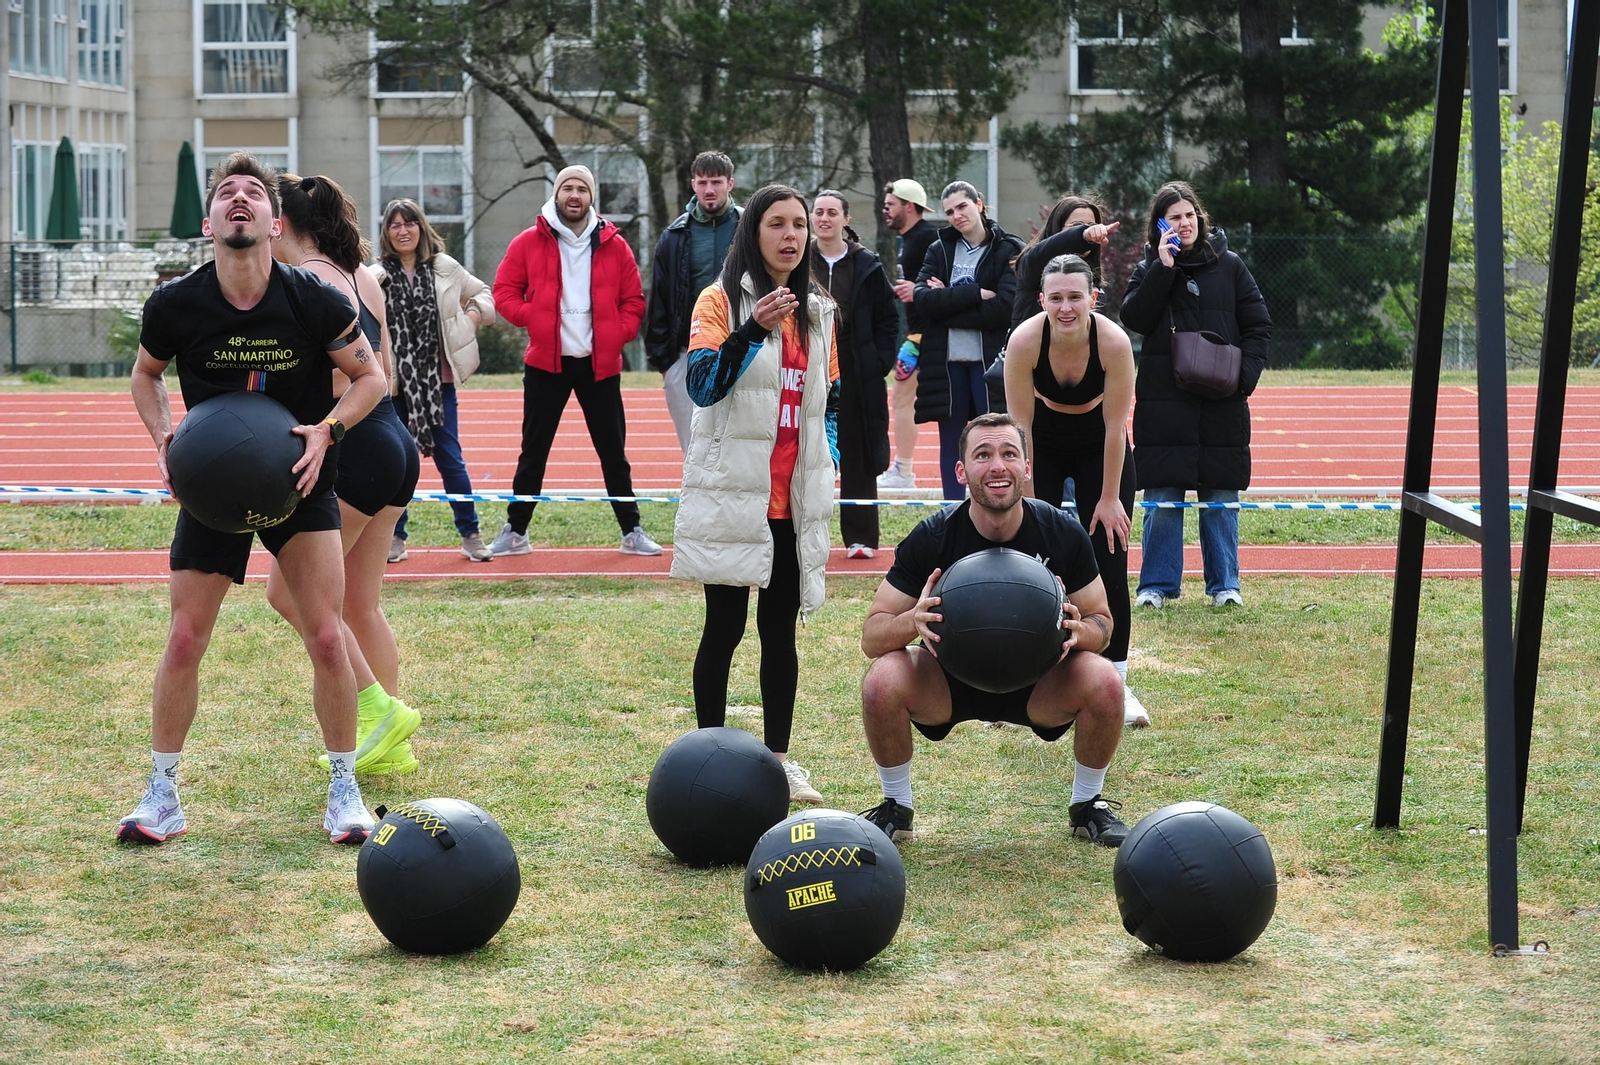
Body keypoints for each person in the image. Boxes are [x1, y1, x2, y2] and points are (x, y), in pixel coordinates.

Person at [120, 152, 385, 846]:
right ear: (208, 222)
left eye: (254, 196)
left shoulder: (313, 297)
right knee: (184, 637)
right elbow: (146, 376)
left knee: (326, 633)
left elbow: (371, 380)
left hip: (297, 479)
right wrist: (163, 438)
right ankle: (162, 794)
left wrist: (328, 431)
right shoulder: (178, 303)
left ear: (274, 223)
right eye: (227, 194)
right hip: (212, 485)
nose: (240, 201)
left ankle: (345, 789)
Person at [858, 412, 1130, 846]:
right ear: (962, 471)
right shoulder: (933, 537)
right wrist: (913, 621)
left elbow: (1103, 622)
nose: (998, 466)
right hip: (948, 679)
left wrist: (1083, 631)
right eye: (983, 455)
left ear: (1027, 466)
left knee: (1105, 680)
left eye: (1009, 453)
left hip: (1040, 680)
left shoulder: (1061, 532)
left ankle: (1088, 806)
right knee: (882, 680)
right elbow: (872, 637)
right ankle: (896, 806)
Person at [671, 184, 841, 807]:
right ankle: (706, 756)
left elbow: (831, 406)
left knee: (780, 634)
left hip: (795, 501)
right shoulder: (718, 301)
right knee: (724, 628)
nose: (792, 235)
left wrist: (830, 463)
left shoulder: (819, 310)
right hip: (736, 494)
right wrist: (750, 331)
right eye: (778, 224)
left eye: (800, 224)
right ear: (754, 231)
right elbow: (704, 387)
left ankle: (779, 761)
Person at [263, 173, 424, 778]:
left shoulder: (307, 280)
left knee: (289, 591)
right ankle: (393, 738)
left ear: (283, 224)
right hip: (391, 439)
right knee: (360, 601)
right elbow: (383, 367)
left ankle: (378, 711)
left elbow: (341, 376)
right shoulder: (361, 276)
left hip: (356, 444)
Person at [1004, 253, 1149, 728]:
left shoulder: (1112, 341)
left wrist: (1109, 499)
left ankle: (1118, 681)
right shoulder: (1025, 340)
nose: (1066, 308)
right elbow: (1019, 427)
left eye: (1075, 297)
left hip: (1098, 444)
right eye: (1056, 298)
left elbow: (1115, 427)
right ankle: (1018, 678)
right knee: (1028, 559)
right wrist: (1022, 499)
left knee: (1108, 556)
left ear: (1093, 298)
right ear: (1042, 299)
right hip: (1041, 441)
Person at [489, 165, 663, 558]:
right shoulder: (528, 242)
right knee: (533, 451)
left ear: (591, 198)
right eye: (567, 187)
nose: (574, 195)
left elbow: (634, 301)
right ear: (556, 194)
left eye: (581, 189)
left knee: (613, 452)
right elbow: (504, 292)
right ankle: (515, 532)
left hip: (599, 365)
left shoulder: (614, 244)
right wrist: (531, 318)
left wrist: (616, 334)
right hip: (546, 364)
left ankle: (631, 531)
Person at [1119, 181, 1272, 608]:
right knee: (1163, 496)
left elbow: (1259, 323)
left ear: (1199, 217)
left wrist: (1244, 378)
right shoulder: (1151, 266)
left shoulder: (1231, 265)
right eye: (1174, 217)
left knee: (1221, 495)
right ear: (1160, 226)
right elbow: (1134, 317)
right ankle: (1157, 586)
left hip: (1222, 399)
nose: (1183, 223)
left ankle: (1225, 586)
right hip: (1164, 400)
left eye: (1189, 215)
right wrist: (1163, 269)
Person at [374, 197, 497, 564]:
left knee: (450, 460)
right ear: (387, 232)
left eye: (409, 222)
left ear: (421, 227)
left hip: (438, 382)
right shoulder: (375, 275)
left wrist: (470, 319)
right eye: (395, 224)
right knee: (395, 462)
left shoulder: (445, 267)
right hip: (395, 385)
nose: (403, 230)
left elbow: (484, 295)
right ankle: (394, 538)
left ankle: (471, 535)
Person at [912, 181, 1023, 500]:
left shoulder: (1008, 248)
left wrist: (946, 301)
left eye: (962, 206)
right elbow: (922, 302)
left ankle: (997, 505)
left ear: (979, 204)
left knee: (996, 440)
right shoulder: (939, 248)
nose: (956, 215)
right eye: (949, 211)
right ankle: (953, 511)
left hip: (990, 364)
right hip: (947, 366)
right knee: (953, 443)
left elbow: (1004, 308)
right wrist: (974, 293)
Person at [810, 189, 898, 560]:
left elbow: (888, 319)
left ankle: (861, 538)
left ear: (846, 219)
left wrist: (878, 362)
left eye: (832, 212)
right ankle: (802, 535)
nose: (824, 218)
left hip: (858, 371)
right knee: (805, 451)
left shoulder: (867, 265)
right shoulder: (799, 259)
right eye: (818, 212)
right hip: (810, 365)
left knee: (858, 454)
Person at [645, 151, 742, 453]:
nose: (709, 189)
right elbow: (659, 298)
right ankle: (696, 500)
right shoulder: (674, 235)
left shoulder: (750, 228)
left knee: (740, 441)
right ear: (693, 185)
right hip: (688, 350)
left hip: (742, 344)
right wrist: (666, 363)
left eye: (716, 181)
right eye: (702, 182)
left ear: (730, 184)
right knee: (694, 447)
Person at [877, 179, 937, 491]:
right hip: (918, 335)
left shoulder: (927, 238)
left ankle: (904, 471)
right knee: (903, 397)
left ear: (909, 206)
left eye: (891, 205)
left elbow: (944, 283)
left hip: (928, 336)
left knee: (903, 398)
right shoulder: (910, 240)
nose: (885, 210)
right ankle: (903, 469)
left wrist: (921, 291)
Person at [1010, 194, 1121, 332]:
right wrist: (1082, 235)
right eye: (1076, 226)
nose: (1090, 232)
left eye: (1092, 226)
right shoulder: (1032, 264)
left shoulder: (1095, 286)